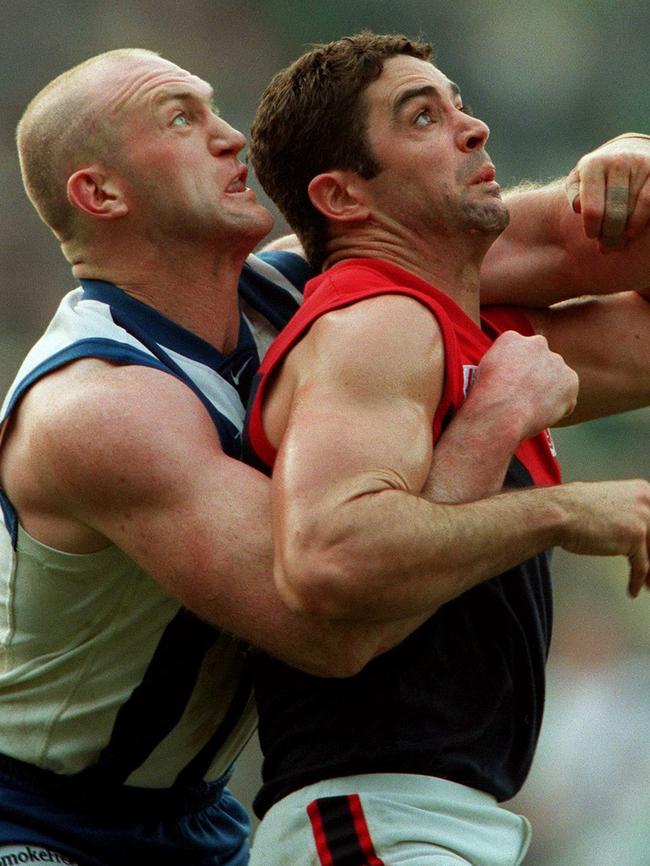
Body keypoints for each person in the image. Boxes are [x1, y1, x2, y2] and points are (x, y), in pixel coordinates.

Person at [1, 45, 649, 866]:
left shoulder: (305, 284)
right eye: (180, 118)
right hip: (36, 817)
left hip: (199, 817)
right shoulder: (101, 407)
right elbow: (335, 627)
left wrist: (628, 166)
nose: (231, 137)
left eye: (214, 107)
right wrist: (502, 427)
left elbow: (591, 237)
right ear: (101, 193)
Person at [244, 32, 650, 866]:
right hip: (376, 818)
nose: (474, 129)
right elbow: (327, 556)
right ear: (343, 196)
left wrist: (638, 156)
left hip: (436, 823)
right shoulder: (374, 321)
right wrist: (566, 509)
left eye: (460, 104)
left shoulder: (471, 336)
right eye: (422, 117)